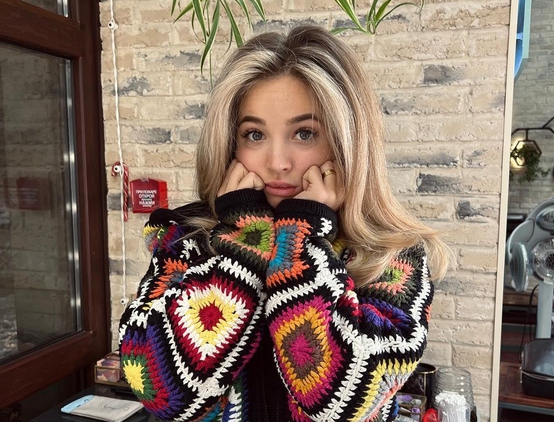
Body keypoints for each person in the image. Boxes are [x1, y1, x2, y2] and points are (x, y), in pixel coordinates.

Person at [118, 25, 449, 422]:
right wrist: (244, 245)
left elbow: (341, 404)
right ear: (230, 143)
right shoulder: (185, 240)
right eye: (254, 134)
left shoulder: (392, 256)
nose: (278, 162)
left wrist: (299, 238)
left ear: (347, 141)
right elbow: (158, 390)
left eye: (304, 133)